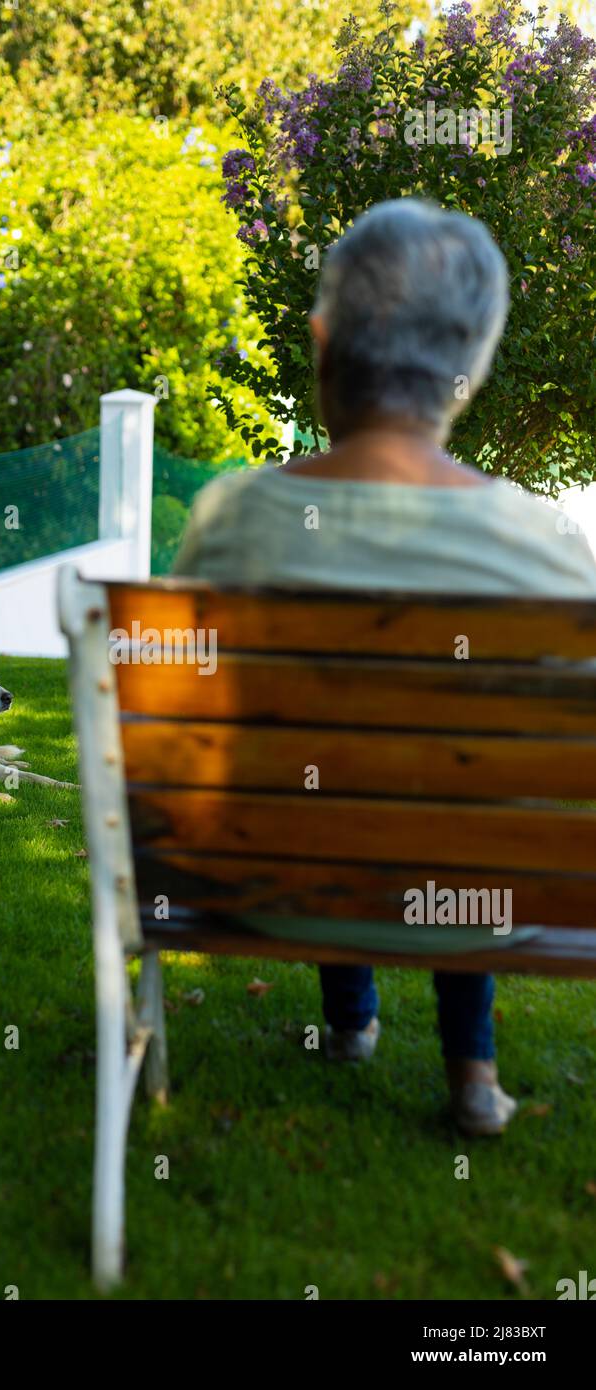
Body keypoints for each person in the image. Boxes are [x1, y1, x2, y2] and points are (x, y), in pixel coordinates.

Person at [171, 197, 596, 1136]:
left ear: (323, 342)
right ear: (470, 369)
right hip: (483, 902)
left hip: (275, 887)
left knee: (331, 781)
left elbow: (207, 722)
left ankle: (349, 1027)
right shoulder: (552, 549)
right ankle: (473, 1078)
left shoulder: (229, 519)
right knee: (461, 808)